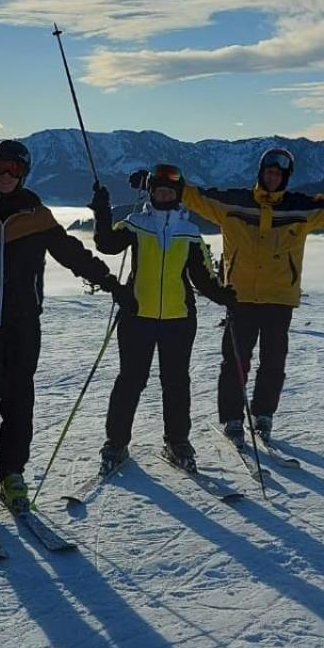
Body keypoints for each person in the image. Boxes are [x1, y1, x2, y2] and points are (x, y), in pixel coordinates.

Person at [0, 138, 128, 514]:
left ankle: (10, 473)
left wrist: (110, 282)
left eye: (14, 169)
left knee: (19, 400)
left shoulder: (37, 217)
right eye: (1, 168)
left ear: (24, 173)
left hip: (23, 325)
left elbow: (72, 254)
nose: (6, 176)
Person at [172, 147, 324, 448]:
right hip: (240, 297)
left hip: (279, 298)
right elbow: (196, 197)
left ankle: (263, 414)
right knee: (235, 361)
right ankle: (232, 417)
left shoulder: (300, 208)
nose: (273, 176)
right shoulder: (232, 203)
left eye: (278, 173)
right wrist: (164, 183)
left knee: (273, 361)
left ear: (285, 177)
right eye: (269, 171)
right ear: (260, 172)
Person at [90, 163, 235, 472]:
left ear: (177, 194)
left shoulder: (190, 233)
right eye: (159, 189)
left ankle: (177, 440)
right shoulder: (136, 224)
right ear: (151, 192)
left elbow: (204, 278)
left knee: (176, 382)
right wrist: (102, 212)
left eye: (170, 190)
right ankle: (116, 443)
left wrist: (225, 296)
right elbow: (106, 244)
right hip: (137, 316)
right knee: (130, 380)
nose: (164, 194)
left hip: (179, 319)